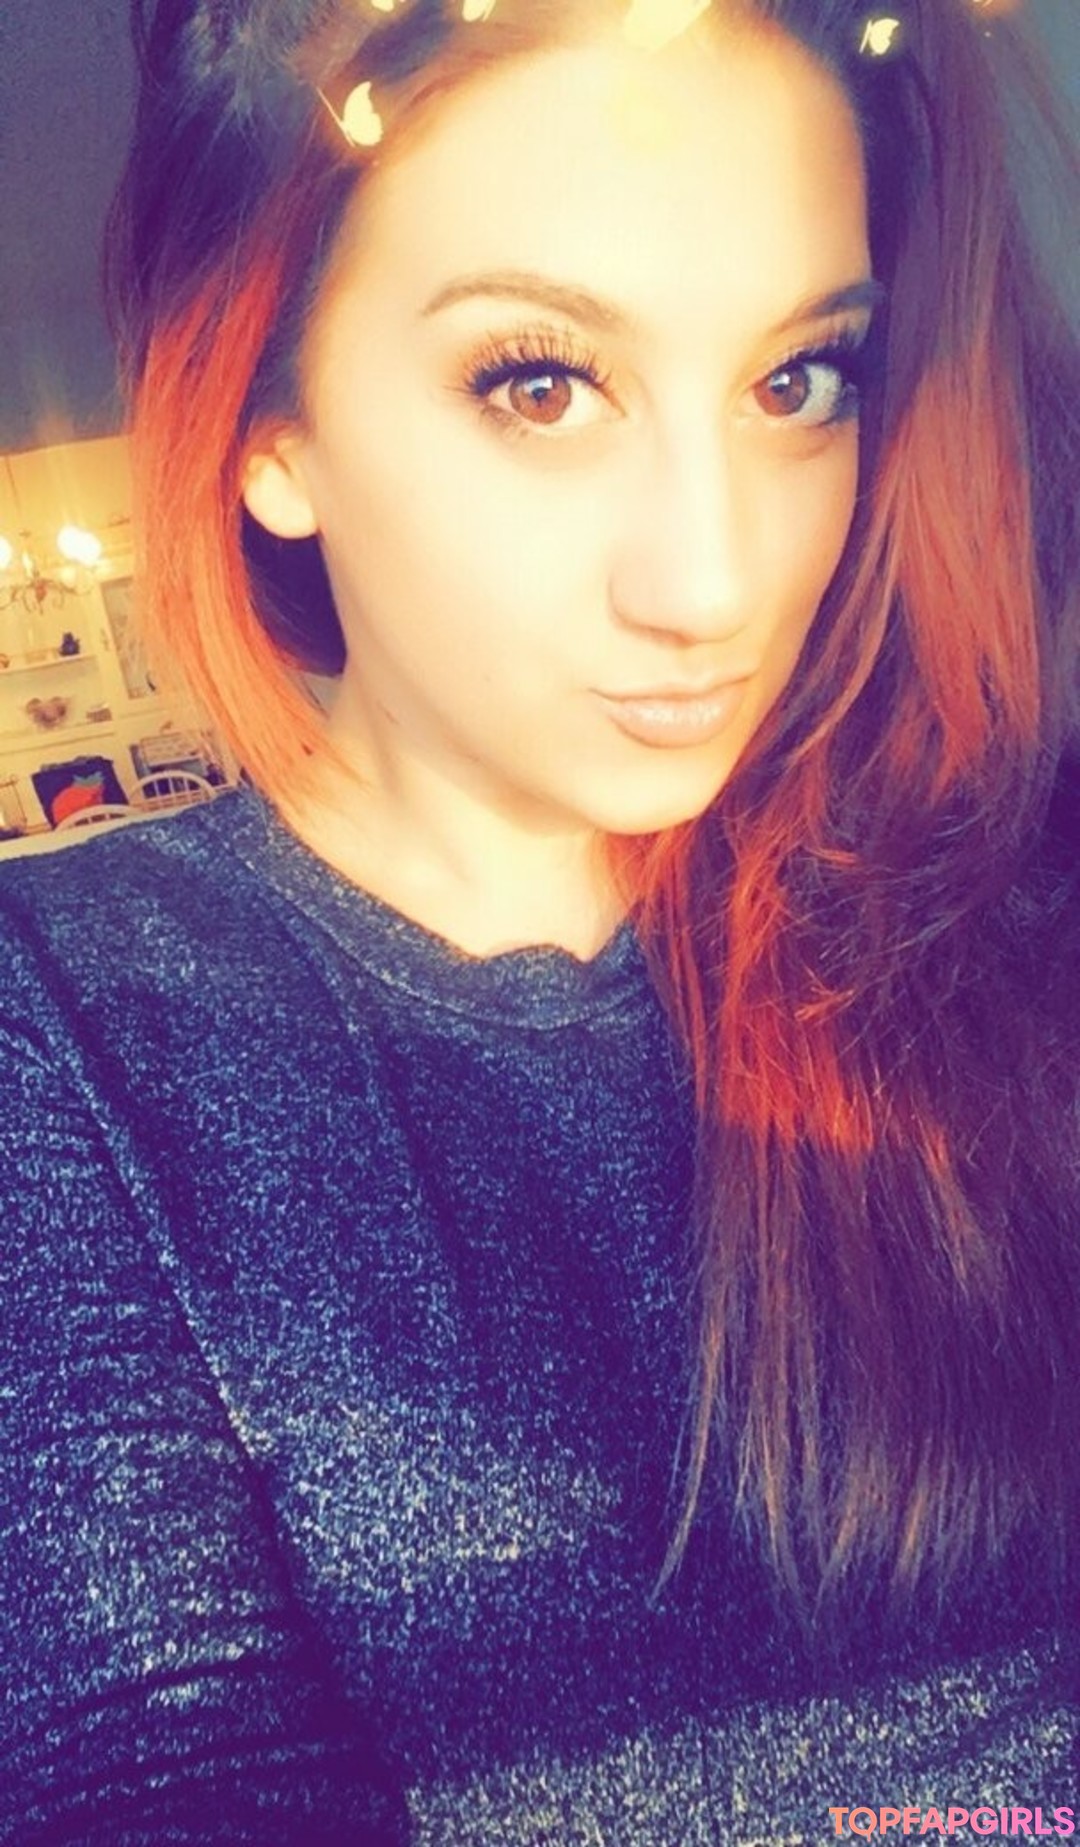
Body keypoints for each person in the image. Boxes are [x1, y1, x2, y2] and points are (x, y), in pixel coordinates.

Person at [1, 0, 1078, 1837]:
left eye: (798, 382)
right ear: (270, 424)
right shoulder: (74, 1030)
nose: (715, 581)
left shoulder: (985, 891)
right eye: (541, 383)